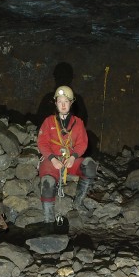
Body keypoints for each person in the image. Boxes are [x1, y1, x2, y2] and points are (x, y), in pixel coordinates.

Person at [37, 85, 98, 223]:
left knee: (89, 166)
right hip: (51, 160)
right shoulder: (48, 122)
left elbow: (82, 143)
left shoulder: (78, 123)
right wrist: (52, 159)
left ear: (71, 103)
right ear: (56, 103)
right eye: (60, 101)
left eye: (66, 101)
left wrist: (73, 157)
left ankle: (78, 202)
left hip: (69, 159)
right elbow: (42, 143)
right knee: (48, 183)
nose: (63, 105)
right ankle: (49, 220)